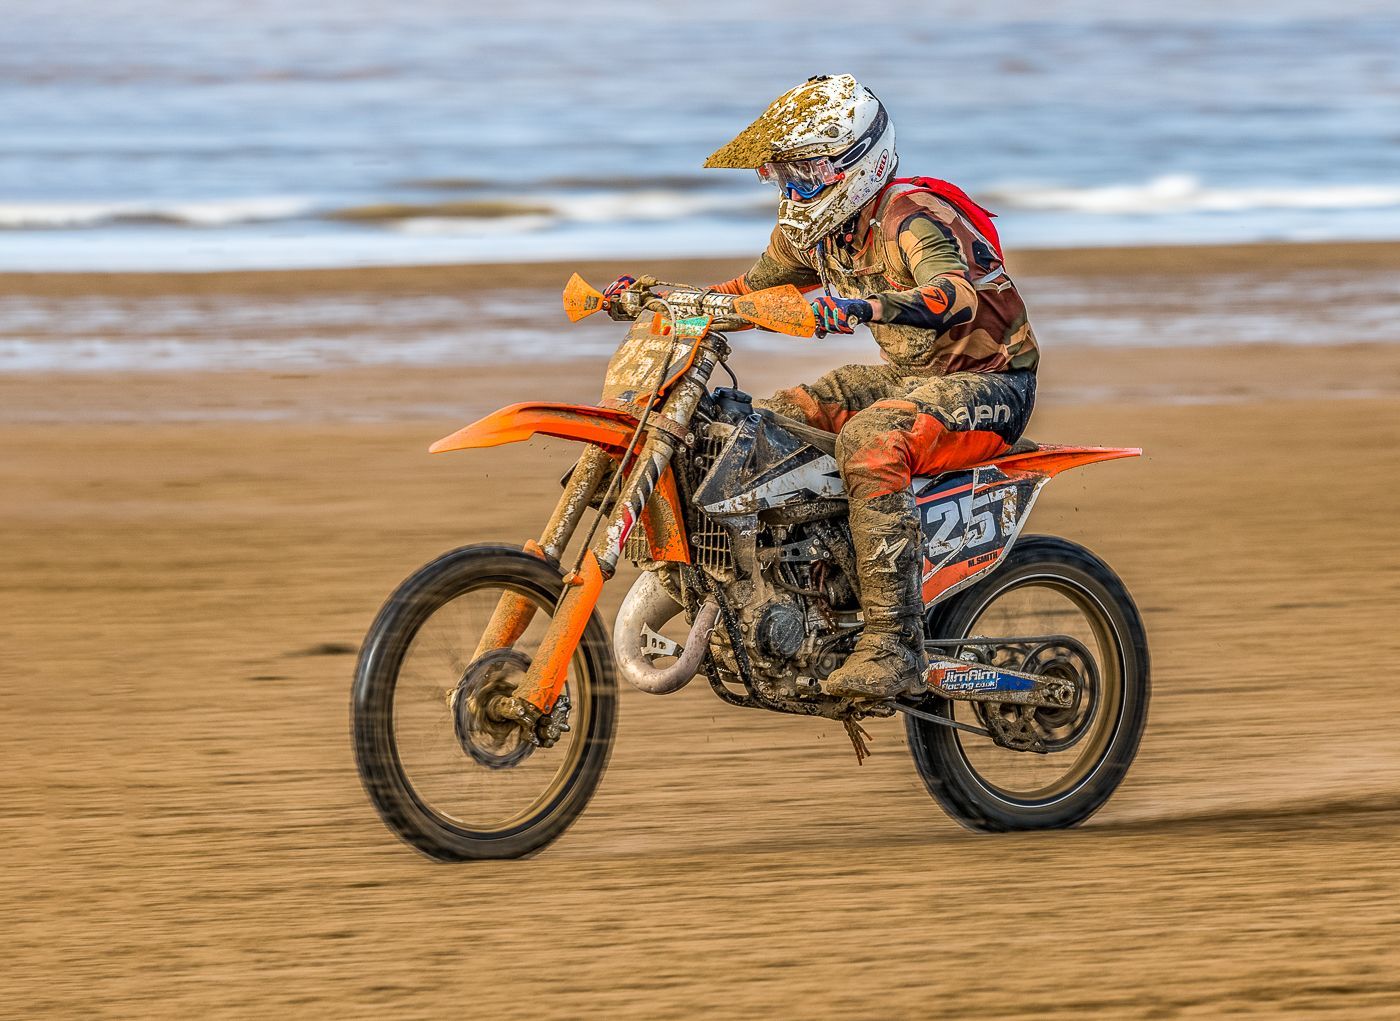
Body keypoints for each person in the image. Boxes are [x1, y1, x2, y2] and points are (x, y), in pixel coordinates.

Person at [607, 74, 1039, 701]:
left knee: (870, 443)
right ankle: (816, 580)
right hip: (912, 377)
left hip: (991, 385)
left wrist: (860, 308)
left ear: (855, 163)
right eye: (785, 174)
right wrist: (663, 297)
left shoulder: (911, 217)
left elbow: (952, 295)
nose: (793, 189)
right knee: (775, 418)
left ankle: (892, 642)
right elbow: (750, 291)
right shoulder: (816, 229)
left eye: (805, 172)